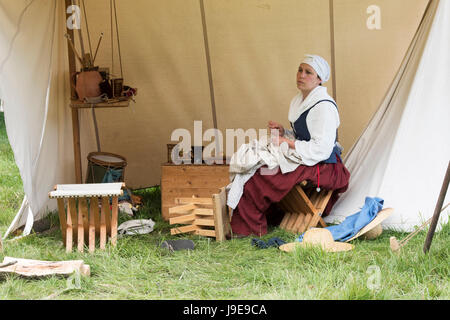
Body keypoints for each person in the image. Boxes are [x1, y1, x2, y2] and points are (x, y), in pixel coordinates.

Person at [228, 54, 350, 238]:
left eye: (308, 72)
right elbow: (305, 136)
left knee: (264, 175)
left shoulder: (323, 107)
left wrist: (287, 143)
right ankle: (252, 223)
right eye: (300, 70)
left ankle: (249, 230)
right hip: (309, 159)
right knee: (255, 167)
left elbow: (321, 148)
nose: (301, 75)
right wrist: (284, 132)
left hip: (324, 166)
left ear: (319, 79)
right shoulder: (299, 100)